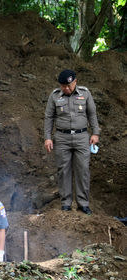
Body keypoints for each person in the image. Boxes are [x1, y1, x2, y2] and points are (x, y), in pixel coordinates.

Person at [44, 69, 100, 215]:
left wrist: (95, 133)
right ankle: (66, 203)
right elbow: (49, 117)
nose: (66, 89)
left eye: (69, 86)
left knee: (83, 170)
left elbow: (92, 114)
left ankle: (83, 203)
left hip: (82, 137)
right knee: (64, 171)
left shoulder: (85, 93)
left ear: (75, 82)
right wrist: (48, 137)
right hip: (62, 138)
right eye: (63, 86)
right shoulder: (55, 96)